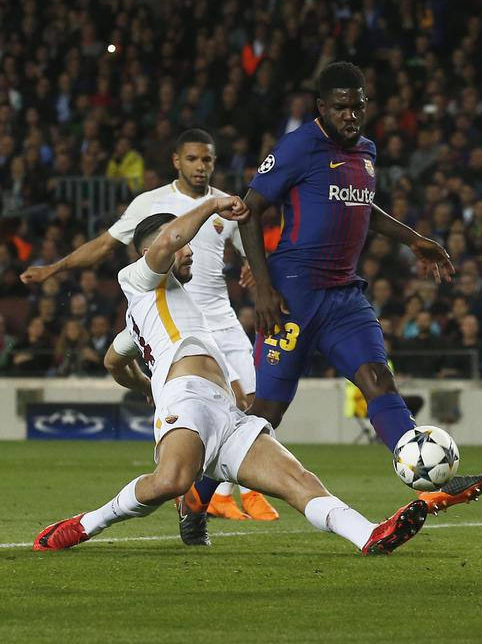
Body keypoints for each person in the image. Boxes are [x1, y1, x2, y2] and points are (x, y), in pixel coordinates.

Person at [34, 200, 429, 555]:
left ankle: (368, 533)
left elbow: (112, 362)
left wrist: (145, 385)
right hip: (186, 400)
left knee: (297, 478)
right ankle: (85, 524)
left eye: (189, 245)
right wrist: (212, 205)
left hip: (225, 414)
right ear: (147, 254)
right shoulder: (136, 279)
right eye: (183, 246)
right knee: (171, 481)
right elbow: (169, 240)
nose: (189, 251)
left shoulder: (146, 316)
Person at [212, 61, 482, 522]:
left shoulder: (365, 151)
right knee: (266, 414)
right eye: (341, 107)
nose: (350, 115)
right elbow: (250, 209)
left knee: (378, 379)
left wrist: (413, 239)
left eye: (357, 107)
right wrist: (263, 287)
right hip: (292, 298)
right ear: (321, 107)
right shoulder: (298, 147)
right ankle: (198, 493)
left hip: (344, 296)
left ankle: (429, 480)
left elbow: (362, 205)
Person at [21, 128, 281, 522]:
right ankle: (223, 495)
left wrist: (255, 270)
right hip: (176, 323)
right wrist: (54, 268)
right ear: (177, 161)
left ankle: (219, 493)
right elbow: (105, 244)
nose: (200, 166)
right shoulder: (150, 203)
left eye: (207, 159)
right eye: (192, 159)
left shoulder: (228, 206)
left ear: (214, 162)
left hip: (222, 319)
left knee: (255, 404)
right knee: (235, 403)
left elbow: (253, 251)